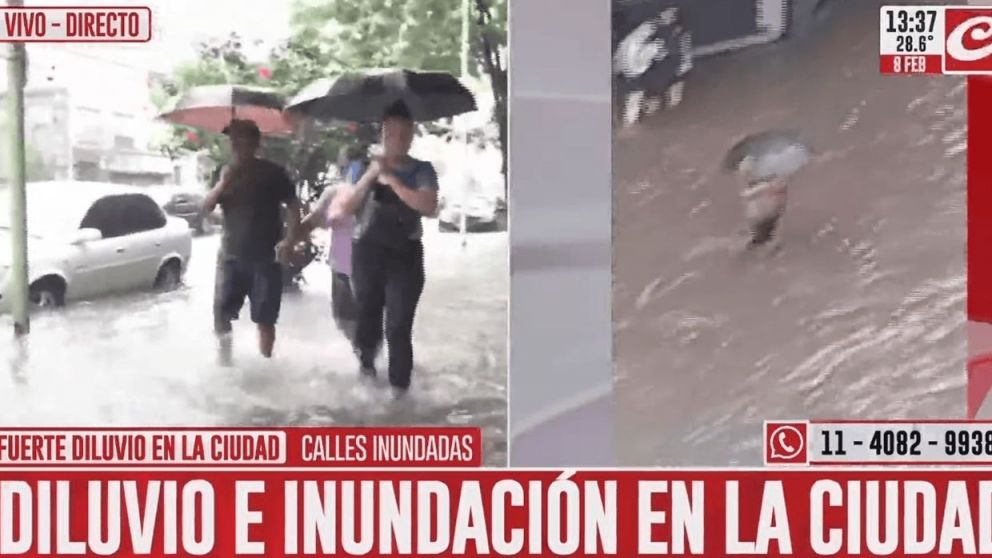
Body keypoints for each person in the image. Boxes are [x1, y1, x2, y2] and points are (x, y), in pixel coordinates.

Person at [337, 101, 439, 395]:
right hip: (367, 254)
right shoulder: (360, 168)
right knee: (368, 315)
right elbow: (345, 208)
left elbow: (428, 206)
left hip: (405, 255)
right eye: (391, 133)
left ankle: (399, 392)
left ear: (412, 135)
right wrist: (372, 174)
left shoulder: (422, 170)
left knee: (398, 323)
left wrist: (392, 179)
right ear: (382, 135)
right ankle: (367, 370)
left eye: (404, 133)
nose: (398, 139)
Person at [203, 119, 302, 358]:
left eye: (242, 138)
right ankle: (224, 362)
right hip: (230, 256)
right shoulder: (224, 172)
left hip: (265, 258)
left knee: (265, 318)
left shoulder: (273, 172)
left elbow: (293, 206)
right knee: (222, 314)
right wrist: (223, 183)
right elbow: (206, 207)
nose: (236, 144)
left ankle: (266, 363)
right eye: (232, 139)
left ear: (256, 143)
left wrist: (289, 240)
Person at [296, 145, 365, 347]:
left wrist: (291, 237)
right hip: (373, 264)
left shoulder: (335, 192)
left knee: (344, 319)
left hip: (343, 264)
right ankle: (369, 358)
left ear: (343, 166)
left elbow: (315, 221)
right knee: (368, 315)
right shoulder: (376, 190)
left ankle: (363, 357)